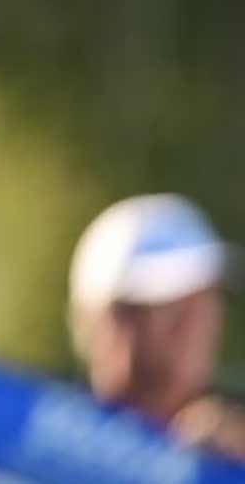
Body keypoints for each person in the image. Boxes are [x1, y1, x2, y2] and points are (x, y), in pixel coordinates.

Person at [69, 194, 245, 461]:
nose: (193, 325)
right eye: (165, 306)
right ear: (99, 321)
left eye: (204, 299)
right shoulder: (41, 436)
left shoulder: (233, 444)